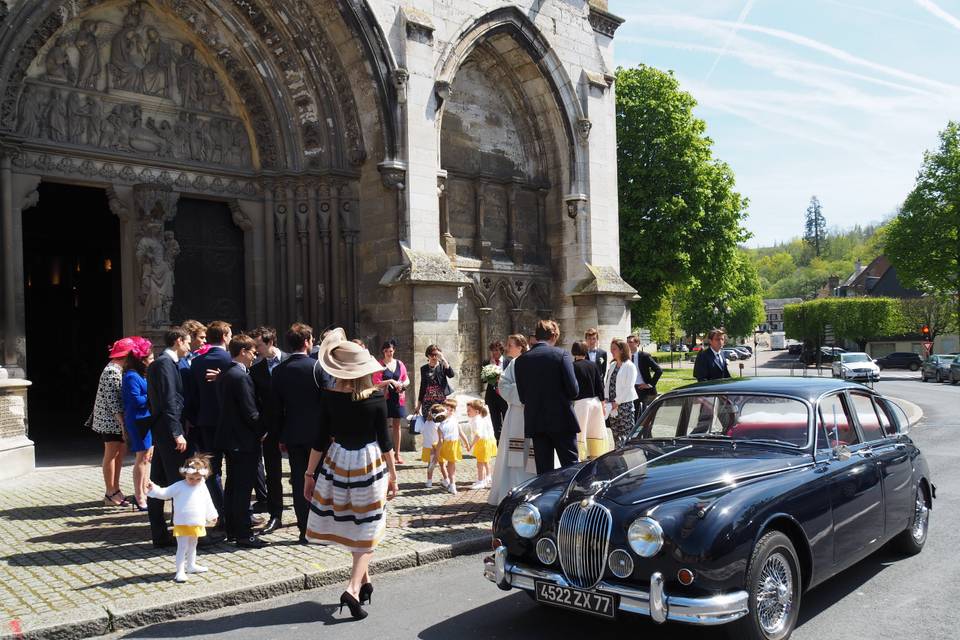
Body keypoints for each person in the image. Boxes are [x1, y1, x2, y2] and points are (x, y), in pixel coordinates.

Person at [302, 328, 398, 621]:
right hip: (368, 464)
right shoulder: (377, 399)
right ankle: (354, 588)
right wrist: (394, 476)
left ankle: (366, 582)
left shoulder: (329, 398)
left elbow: (319, 440)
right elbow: (385, 444)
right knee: (368, 528)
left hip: (338, 462)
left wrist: (309, 474)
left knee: (357, 524)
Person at [272, 323, 323, 544]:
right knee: (319, 481)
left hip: (292, 434)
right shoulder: (316, 367)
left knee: (299, 481)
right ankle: (319, 529)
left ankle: (304, 529)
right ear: (306, 342)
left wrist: (281, 436)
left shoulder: (279, 370)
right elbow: (325, 404)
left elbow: (276, 408)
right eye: (311, 340)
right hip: (317, 436)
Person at [215, 334, 267, 548]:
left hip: (230, 439)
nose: (255, 356)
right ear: (243, 351)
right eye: (253, 352)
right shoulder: (240, 376)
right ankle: (244, 534)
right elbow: (250, 412)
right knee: (243, 488)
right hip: (243, 440)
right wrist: (263, 431)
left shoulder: (226, 373)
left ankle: (232, 529)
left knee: (233, 486)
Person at [513, 320, 580, 474]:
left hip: (536, 421)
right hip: (562, 419)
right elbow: (573, 390)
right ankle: (571, 498)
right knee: (570, 467)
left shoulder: (521, 361)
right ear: (553, 335)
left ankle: (546, 497)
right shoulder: (561, 354)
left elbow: (522, 397)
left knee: (544, 471)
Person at [147, 328, 192, 548]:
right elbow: (169, 401)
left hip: (162, 431)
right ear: (178, 341)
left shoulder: (165, 362)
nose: (190, 347)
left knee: (158, 482)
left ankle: (160, 534)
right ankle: (178, 533)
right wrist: (177, 432)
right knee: (177, 482)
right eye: (187, 343)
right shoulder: (165, 363)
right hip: (168, 431)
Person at [146, 454, 219, 583]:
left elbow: (208, 501)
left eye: (198, 478)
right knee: (182, 547)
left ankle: (191, 565)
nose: (194, 481)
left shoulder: (202, 485)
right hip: (182, 522)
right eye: (191, 478)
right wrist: (154, 489)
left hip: (197, 522)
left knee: (193, 544)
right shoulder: (179, 485)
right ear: (184, 474)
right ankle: (179, 571)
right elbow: (164, 493)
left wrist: (212, 515)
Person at [187, 320, 232, 525]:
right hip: (231, 424)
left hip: (206, 423)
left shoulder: (196, 362)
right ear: (224, 336)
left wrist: (195, 419)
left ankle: (219, 512)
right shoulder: (231, 360)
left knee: (212, 470)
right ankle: (237, 512)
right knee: (235, 468)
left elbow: (192, 397)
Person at [488, 335, 535, 505]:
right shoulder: (513, 363)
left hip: (531, 413)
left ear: (521, 346)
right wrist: (523, 394)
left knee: (532, 453)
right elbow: (503, 385)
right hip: (515, 413)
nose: (507, 348)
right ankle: (513, 488)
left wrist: (525, 393)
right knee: (514, 454)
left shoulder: (529, 361)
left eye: (510, 345)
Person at [248, 327, 285, 535]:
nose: (256, 350)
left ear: (270, 342)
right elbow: (256, 402)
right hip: (271, 429)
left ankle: (307, 515)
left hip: (295, 426)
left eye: (259, 345)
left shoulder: (291, 360)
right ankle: (275, 515)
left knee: (303, 472)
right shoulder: (255, 369)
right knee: (273, 474)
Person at [92, 337, 133, 507]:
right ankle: (110, 492)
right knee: (111, 454)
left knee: (118, 455)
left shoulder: (117, 369)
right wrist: (123, 424)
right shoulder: (112, 371)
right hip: (110, 422)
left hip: (115, 421)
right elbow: (113, 401)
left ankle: (115, 489)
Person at [122, 337, 155, 511]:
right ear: (141, 360)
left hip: (146, 418)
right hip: (138, 420)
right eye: (150, 359)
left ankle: (145, 490)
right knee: (141, 458)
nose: (152, 362)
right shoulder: (131, 376)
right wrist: (153, 396)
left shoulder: (141, 374)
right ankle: (139, 494)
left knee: (148, 457)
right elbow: (135, 400)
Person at [371, 339, 409, 465]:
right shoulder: (379, 365)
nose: (389, 353)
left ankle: (397, 453)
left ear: (394, 351)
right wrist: (390, 381)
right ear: (383, 351)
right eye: (386, 351)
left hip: (398, 397)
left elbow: (406, 379)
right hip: (384, 398)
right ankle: (384, 452)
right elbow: (376, 383)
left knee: (397, 425)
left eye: (391, 351)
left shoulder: (399, 363)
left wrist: (401, 385)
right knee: (383, 425)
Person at [571, 341, 609, 460]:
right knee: (595, 432)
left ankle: (581, 456)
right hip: (596, 403)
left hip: (582, 403)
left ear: (573, 352)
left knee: (580, 433)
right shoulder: (593, 365)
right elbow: (600, 386)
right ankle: (596, 456)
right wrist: (602, 404)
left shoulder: (572, 366)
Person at [603, 338, 638, 447]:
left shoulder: (629, 366)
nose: (612, 351)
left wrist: (617, 402)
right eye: (611, 349)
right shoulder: (612, 365)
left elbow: (628, 387)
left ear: (622, 350)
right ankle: (618, 459)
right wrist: (606, 400)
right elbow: (608, 383)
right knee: (615, 435)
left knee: (626, 436)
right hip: (612, 406)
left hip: (624, 406)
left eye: (614, 349)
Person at [415, 344, 454, 417]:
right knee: (428, 423)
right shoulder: (424, 369)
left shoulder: (443, 365)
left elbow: (451, 375)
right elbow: (422, 387)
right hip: (427, 402)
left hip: (441, 401)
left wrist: (443, 358)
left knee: (440, 422)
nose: (434, 357)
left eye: (436, 354)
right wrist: (418, 405)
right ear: (428, 355)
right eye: (431, 354)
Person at [627, 334, 663, 414]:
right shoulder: (626, 357)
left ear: (637, 343)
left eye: (630, 342)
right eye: (627, 342)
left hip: (643, 390)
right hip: (631, 389)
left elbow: (659, 370)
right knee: (633, 414)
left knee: (646, 415)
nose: (628, 344)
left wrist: (649, 384)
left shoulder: (644, 356)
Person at [466, 399, 497, 489]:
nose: (467, 412)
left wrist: (471, 445)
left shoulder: (476, 420)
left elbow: (478, 435)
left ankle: (481, 481)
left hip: (482, 443)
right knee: (485, 461)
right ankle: (487, 477)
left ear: (476, 411)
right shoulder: (479, 417)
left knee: (480, 463)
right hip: (486, 441)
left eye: (469, 410)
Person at [482, 341, 509, 442]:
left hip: (505, 397)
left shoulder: (508, 362)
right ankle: (499, 447)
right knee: (496, 426)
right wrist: (491, 367)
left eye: (496, 350)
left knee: (507, 423)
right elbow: (484, 380)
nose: (494, 353)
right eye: (492, 350)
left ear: (501, 351)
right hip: (492, 398)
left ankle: (507, 446)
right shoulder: (486, 362)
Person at [436, 401, 463, 495]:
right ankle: (450, 483)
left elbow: (460, 431)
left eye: (451, 410)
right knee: (448, 465)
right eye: (447, 409)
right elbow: (441, 440)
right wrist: (437, 452)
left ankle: (451, 483)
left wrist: (466, 442)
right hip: (448, 445)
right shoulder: (441, 425)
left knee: (450, 465)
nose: (449, 411)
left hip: (453, 445)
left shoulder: (454, 419)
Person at [420, 403, 448, 489]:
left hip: (428, 447)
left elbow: (423, 432)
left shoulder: (427, 423)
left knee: (430, 465)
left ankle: (429, 482)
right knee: (442, 465)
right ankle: (446, 480)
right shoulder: (439, 425)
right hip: (437, 447)